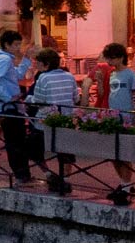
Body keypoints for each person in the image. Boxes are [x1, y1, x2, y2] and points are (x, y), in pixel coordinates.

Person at [27, 49, 79, 195]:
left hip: (46, 121)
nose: (36, 65)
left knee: (34, 149)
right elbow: (75, 97)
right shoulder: (69, 76)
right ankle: (66, 179)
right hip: (66, 120)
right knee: (66, 152)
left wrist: (28, 99)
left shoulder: (43, 78)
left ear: (46, 64)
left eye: (38, 62)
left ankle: (49, 175)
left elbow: (38, 100)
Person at [0, 30, 35, 186]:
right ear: (7, 45)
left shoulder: (3, 58)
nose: (18, 47)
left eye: (19, 44)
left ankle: (23, 173)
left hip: (9, 105)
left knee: (17, 140)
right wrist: (8, 97)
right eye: (16, 45)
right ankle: (21, 174)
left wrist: (26, 59)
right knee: (15, 141)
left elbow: (17, 76)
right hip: (8, 107)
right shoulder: (4, 60)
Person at [100, 42, 135, 205]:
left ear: (120, 58)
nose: (109, 61)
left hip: (125, 115)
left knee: (124, 152)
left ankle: (126, 184)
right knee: (113, 152)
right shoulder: (111, 74)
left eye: (111, 58)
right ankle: (125, 183)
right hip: (113, 114)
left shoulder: (129, 74)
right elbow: (105, 94)